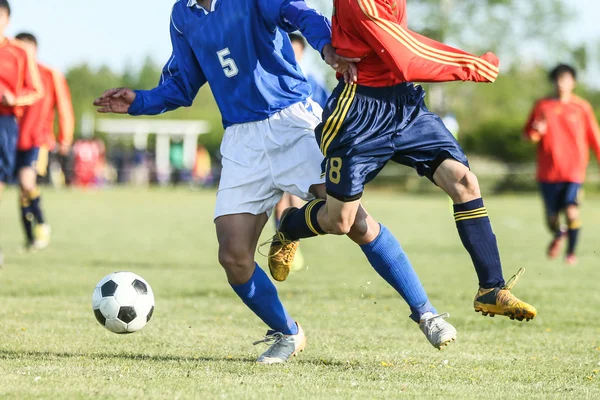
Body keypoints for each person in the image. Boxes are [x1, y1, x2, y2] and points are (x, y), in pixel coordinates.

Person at [94, 0, 455, 363]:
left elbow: (301, 14)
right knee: (233, 257)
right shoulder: (182, 14)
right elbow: (182, 85)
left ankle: (425, 312)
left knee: (352, 221)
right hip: (241, 142)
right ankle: (288, 333)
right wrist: (140, 101)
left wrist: (327, 46)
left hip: (293, 124)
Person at [270, 0, 537, 323]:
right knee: (341, 221)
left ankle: (491, 289)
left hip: (404, 104)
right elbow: (406, 55)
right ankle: (290, 225)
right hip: (359, 111)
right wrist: (472, 65)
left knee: (464, 181)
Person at [524, 64, 600, 265]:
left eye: (565, 79)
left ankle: (571, 254)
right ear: (553, 81)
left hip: (574, 171)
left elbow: (595, 138)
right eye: (558, 79)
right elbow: (529, 135)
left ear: (573, 82)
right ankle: (559, 232)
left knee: (572, 210)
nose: (561, 83)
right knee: (551, 219)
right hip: (548, 172)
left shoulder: (582, 107)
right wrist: (537, 131)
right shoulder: (542, 106)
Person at [273, 33, 333, 273]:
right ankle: (284, 244)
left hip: (307, 144)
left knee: (297, 197)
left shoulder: (311, 82)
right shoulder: (274, 78)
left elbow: (328, 108)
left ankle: (290, 240)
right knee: (280, 197)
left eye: (297, 50)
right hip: (279, 143)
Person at [15, 32, 74, 250]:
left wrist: (65, 138)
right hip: (12, 139)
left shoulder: (50, 74)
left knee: (26, 183)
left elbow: (64, 107)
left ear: (35, 49)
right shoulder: (13, 74)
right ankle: (31, 237)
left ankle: (41, 225)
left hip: (38, 139)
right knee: (22, 191)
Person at [0, 0, 43, 263]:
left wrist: (14, 99)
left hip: (3, 122)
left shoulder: (18, 53)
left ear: (6, 19)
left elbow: (36, 90)